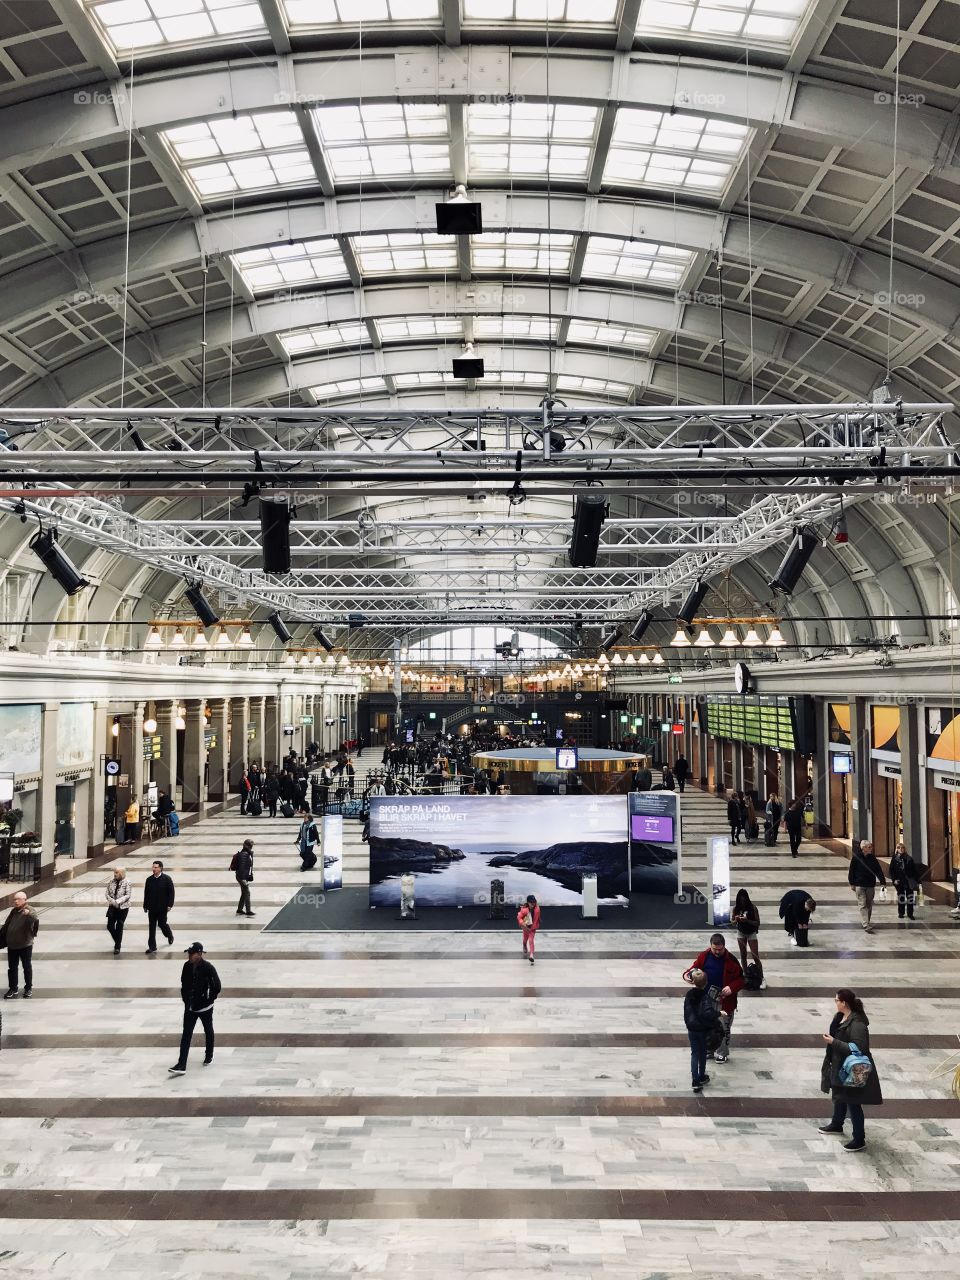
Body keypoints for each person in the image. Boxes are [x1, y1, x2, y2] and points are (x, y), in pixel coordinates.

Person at [818, 987, 882, 1152]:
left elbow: (859, 1047)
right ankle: (837, 1124)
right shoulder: (840, 1017)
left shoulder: (857, 1023)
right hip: (840, 1065)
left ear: (844, 1002)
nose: (835, 1003)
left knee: (853, 1103)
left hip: (852, 1068)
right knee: (839, 1096)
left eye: (836, 1000)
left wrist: (834, 1042)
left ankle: (859, 1138)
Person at [682, 933, 744, 1063]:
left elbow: (741, 979)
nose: (717, 952)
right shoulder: (704, 956)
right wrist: (688, 975)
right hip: (707, 998)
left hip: (725, 1001)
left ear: (724, 947)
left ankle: (722, 1052)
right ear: (710, 946)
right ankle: (709, 1049)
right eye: (714, 949)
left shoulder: (731, 960)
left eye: (719, 949)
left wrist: (731, 988)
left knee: (723, 1027)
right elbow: (693, 968)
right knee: (707, 1024)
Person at [169, 942, 221, 1074]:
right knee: (186, 1034)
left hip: (205, 1007)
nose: (189, 956)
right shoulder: (186, 966)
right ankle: (182, 1064)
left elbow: (217, 986)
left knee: (208, 1030)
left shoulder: (208, 967)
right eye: (189, 953)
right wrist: (186, 999)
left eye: (191, 954)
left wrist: (209, 999)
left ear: (199, 954)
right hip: (190, 1007)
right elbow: (184, 984)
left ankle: (209, 1055)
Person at [683, 967, 722, 1093]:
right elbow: (708, 1013)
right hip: (703, 1029)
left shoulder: (689, 994)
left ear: (693, 982)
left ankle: (695, 1080)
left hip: (692, 1029)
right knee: (702, 1053)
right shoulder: (705, 997)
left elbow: (686, 1011)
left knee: (694, 1053)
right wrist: (719, 1013)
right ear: (706, 983)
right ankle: (701, 1076)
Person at [1, 890, 39, 998]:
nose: (16, 901)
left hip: (25, 945)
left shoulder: (29, 910)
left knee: (26, 966)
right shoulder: (14, 911)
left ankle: (28, 988)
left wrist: (29, 914)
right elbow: (7, 924)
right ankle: (13, 988)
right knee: (12, 968)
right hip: (12, 945)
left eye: (18, 899)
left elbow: (35, 919)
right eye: (14, 899)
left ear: (24, 900)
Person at [848, 840, 887, 933]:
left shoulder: (872, 858)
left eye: (871, 847)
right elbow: (851, 871)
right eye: (869, 847)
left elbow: (878, 870)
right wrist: (852, 883)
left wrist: (883, 881)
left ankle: (866, 921)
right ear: (863, 848)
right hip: (859, 884)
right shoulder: (856, 857)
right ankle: (865, 924)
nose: (871, 849)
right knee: (862, 904)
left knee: (869, 904)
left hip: (870, 884)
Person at [732, 887, 764, 986]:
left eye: (744, 901)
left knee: (755, 956)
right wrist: (736, 920)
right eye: (741, 901)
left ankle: (761, 977)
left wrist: (747, 920)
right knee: (743, 955)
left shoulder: (753, 908)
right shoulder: (736, 908)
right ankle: (746, 975)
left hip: (751, 933)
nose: (742, 903)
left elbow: (758, 923)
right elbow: (732, 922)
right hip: (741, 932)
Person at [143, 858, 175, 954]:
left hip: (162, 908)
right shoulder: (149, 880)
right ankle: (152, 946)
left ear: (160, 868)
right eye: (153, 867)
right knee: (151, 927)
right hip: (152, 908)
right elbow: (146, 893)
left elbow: (171, 893)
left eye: (156, 867)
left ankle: (169, 935)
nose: (153, 869)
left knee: (162, 924)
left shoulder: (167, 879)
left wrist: (170, 905)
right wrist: (145, 905)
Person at [889, 841, 920, 921]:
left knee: (910, 897)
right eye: (899, 848)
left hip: (908, 881)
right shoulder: (894, 858)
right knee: (901, 897)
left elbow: (914, 871)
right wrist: (894, 879)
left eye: (902, 848)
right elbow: (891, 870)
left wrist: (918, 881)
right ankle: (901, 913)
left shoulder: (909, 858)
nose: (901, 849)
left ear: (905, 849)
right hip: (899, 881)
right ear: (897, 849)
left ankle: (910, 914)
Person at [105, 865, 132, 954]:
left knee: (119, 925)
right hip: (112, 907)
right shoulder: (111, 882)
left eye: (116, 872)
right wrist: (112, 901)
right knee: (110, 926)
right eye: (114, 872)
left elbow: (128, 895)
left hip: (123, 908)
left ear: (121, 873)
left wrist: (118, 901)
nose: (115, 874)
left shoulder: (127, 882)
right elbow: (107, 893)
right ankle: (118, 940)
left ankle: (117, 946)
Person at [234, 838, 255, 917]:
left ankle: (239, 909)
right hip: (241, 876)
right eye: (251, 845)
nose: (252, 847)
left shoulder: (246, 853)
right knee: (247, 892)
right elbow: (242, 867)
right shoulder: (244, 854)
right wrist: (243, 879)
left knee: (244, 893)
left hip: (242, 876)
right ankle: (248, 911)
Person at [518, 894, 540, 964]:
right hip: (525, 928)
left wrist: (533, 927)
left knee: (531, 940)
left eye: (534, 902)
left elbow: (536, 920)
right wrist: (523, 924)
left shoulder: (537, 909)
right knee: (525, 940)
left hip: (532, 929)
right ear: (528, 902)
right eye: (531, 902)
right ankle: (524, 945)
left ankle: (531, 955)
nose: (533, 903)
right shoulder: (524, 910)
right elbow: (519, 917)